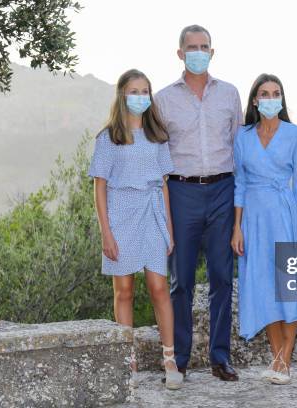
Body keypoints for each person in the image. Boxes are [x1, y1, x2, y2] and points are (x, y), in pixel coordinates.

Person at [154, 25, 243, 381]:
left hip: (223, 190)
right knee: (181, 281)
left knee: (223, 277)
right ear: (179, 53)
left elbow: (239, 147)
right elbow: (157, 153)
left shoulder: (230, 94)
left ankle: (220, 358)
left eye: (204, 46)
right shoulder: (162, 99)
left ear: (212, 51)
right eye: (192, 47)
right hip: (181, 192)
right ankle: (180, 360)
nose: (198, 51)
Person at [88, 69, 183, 390]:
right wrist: (106, 233)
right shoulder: (108, 138)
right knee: (124, 291)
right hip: (121, 217)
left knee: (159, 287)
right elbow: (99, 187)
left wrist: (168, 226)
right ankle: (126, 359)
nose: (140, 96)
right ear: (122, 95)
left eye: (145, 91)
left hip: (153, 214)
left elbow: (165, 185)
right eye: (134, 91)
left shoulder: (158, 136)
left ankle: (169, 359)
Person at [231, 74, 297, 385]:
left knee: (289, 287)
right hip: (254, 220)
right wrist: (237, 228)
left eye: (276, 93)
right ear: (255, 100)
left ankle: (284, 359)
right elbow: (239, 185)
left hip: (285, 217)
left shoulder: (294, 135)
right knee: (263, 286)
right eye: (265, 94)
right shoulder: (242, 138)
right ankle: (277, 357)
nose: (270, 98)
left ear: (282, 99)